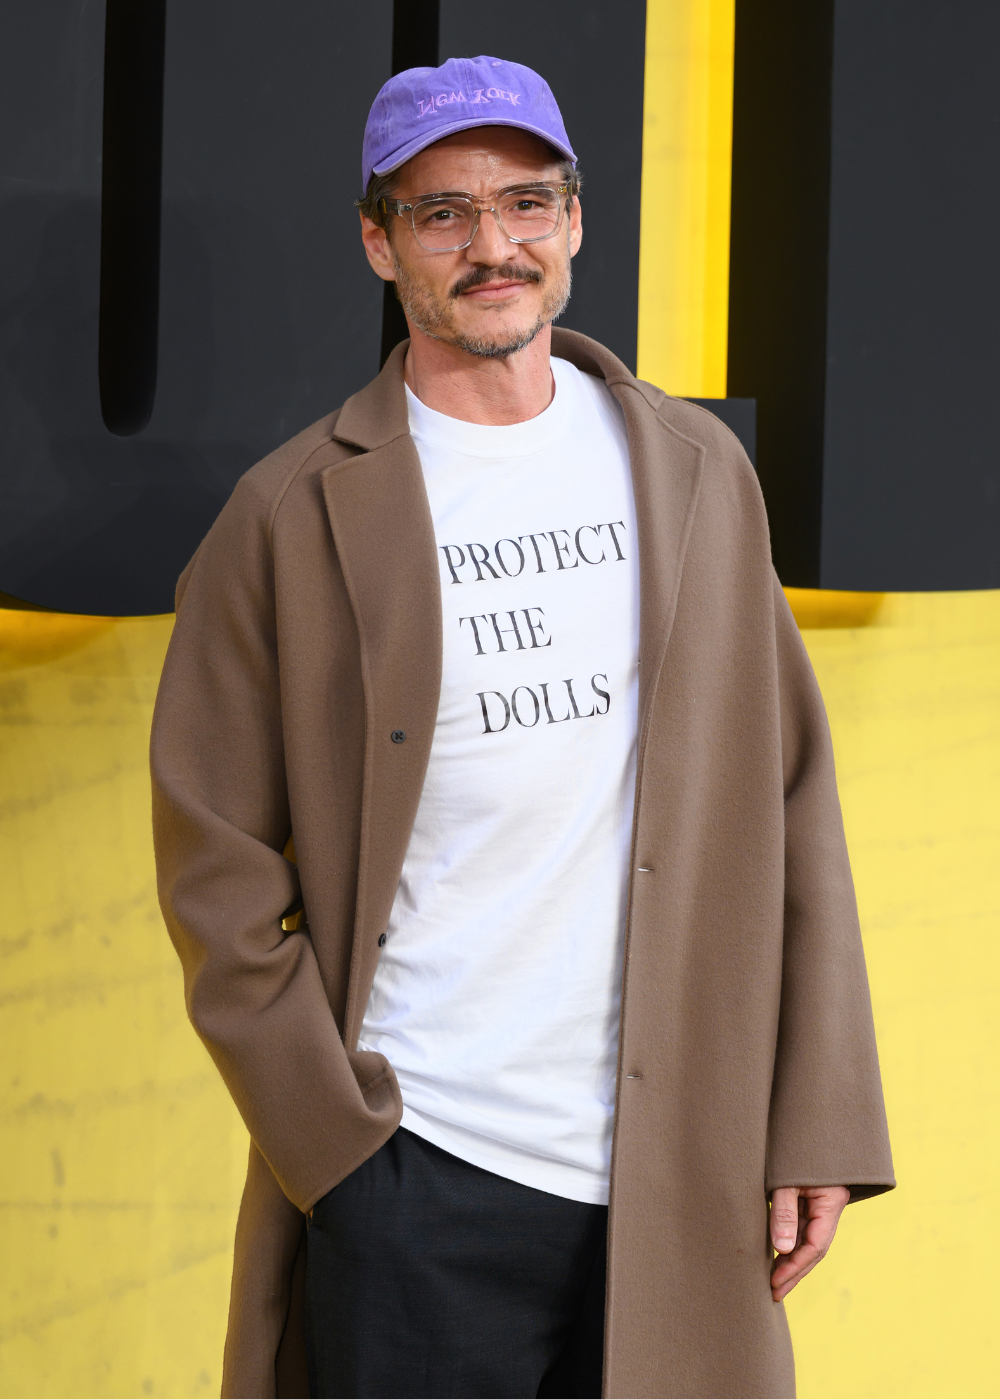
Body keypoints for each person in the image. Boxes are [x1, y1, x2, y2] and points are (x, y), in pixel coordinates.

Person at [151, 55, 894, 1400]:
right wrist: (337, 1149)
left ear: (576, 222)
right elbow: (215, 864)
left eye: (527, 202)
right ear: (380, 243)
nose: (493, 245)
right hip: (420, 1171)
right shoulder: (291, 516)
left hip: (678, 1164)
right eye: (443, 214)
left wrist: (818, 1112)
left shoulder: (693, 472)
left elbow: (792, 802)